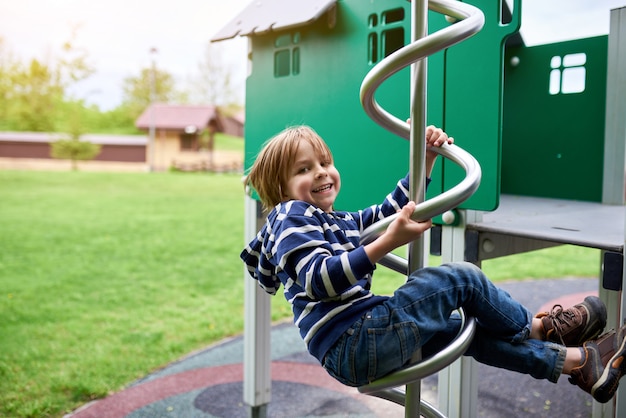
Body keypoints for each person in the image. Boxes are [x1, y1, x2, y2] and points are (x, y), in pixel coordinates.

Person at [240, 124, 626, 404]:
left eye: (324, 162)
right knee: (460, 278)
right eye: (304, 169)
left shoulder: (335, 220)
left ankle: (580, 364)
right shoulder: (289, 216)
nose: (321, 172)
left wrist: (424, 158)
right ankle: (540, 328)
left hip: (360, 341)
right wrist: (389, 242)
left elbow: (394, 209)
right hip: (354, 339)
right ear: (280, 187)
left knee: (468, 334)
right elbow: (320, 278)